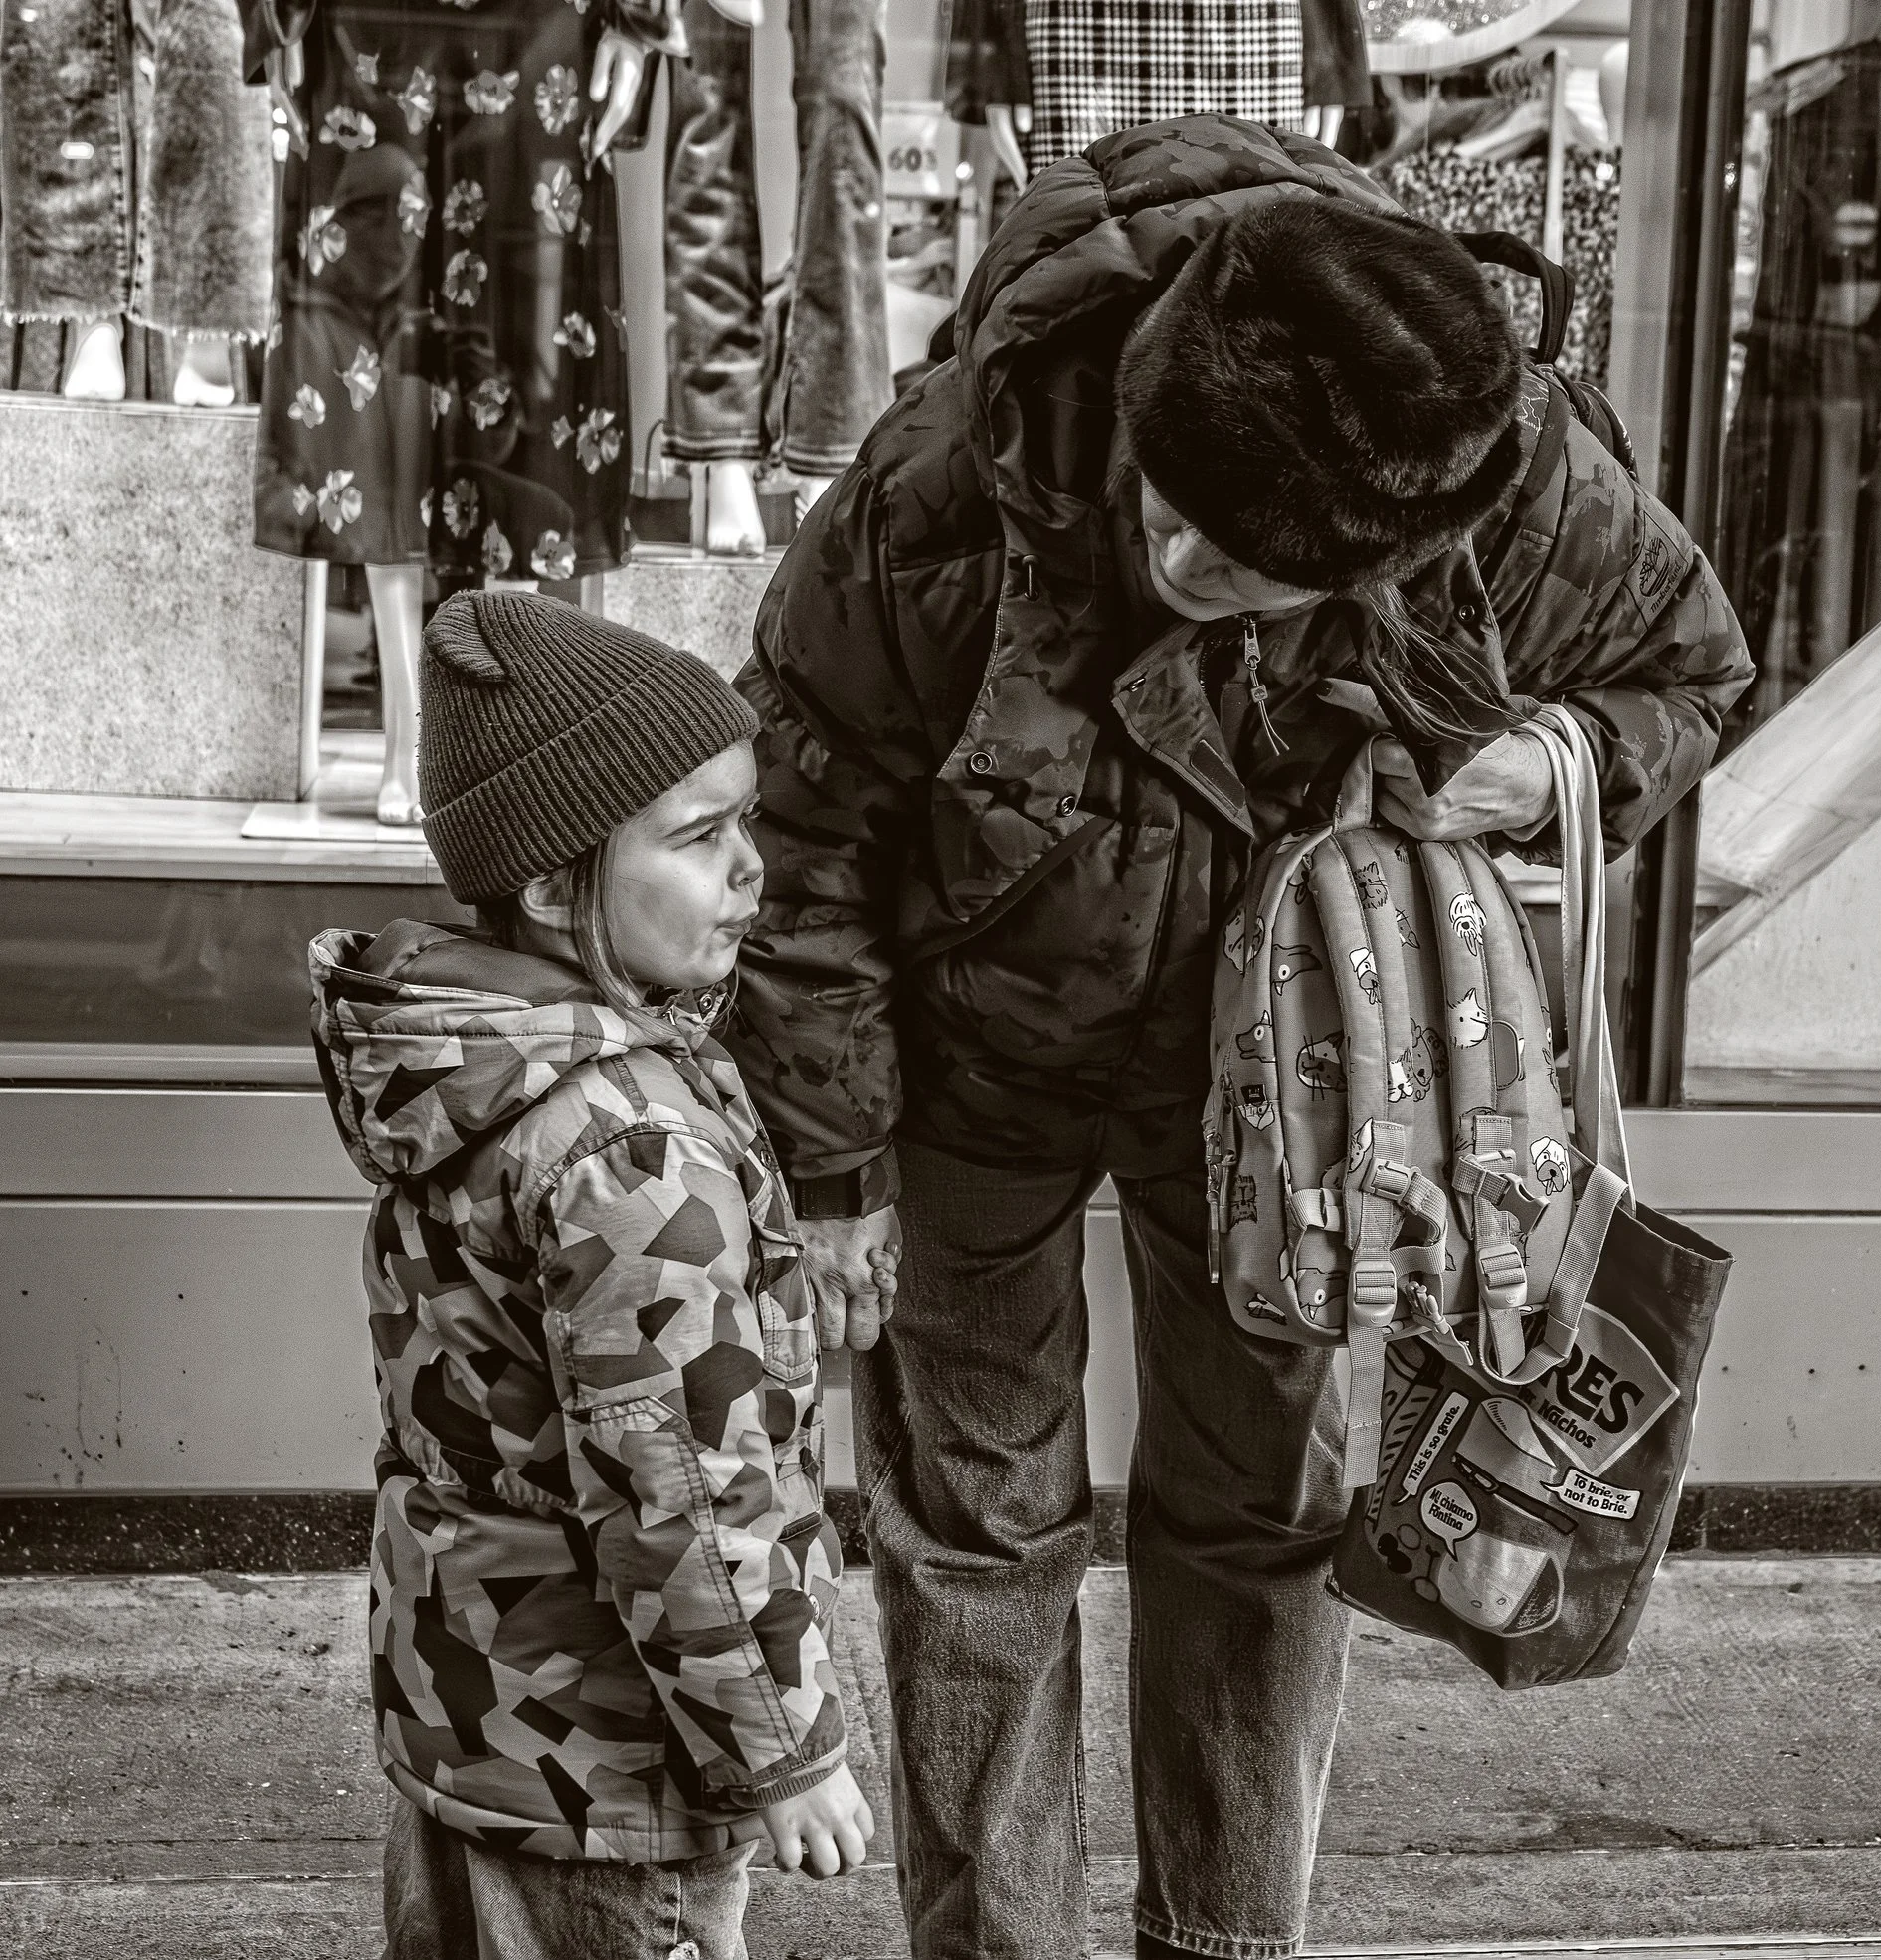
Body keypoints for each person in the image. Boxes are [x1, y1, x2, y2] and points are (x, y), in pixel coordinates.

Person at [730, 114, 1753, 1960]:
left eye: (1244, 561)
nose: (1183, 556)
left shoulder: (1498, 469)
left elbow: (1686, 665)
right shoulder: (946, 474)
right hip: (969, 1068)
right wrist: (827, 1162)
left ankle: (1227, 1938)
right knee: (973, 1533)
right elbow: (801, 815)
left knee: (1258, 1511)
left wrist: (1550, 762)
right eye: (1165, 508)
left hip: (1302, 1105)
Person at [308, 590, 879, 1960]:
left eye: (746, 821)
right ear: (559, 879)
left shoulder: (474, 1067)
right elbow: (683, 1481)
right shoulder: (630, 1146)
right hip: (616, 1775)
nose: (751, 869)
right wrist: (787, 1746)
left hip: (474, 1728)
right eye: (697, 836)